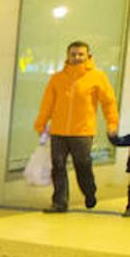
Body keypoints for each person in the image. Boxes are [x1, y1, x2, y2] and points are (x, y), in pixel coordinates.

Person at [34, 41, 119, 213]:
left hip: (83, 132)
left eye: (80, 54)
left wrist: (112, 123)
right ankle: (59, 202)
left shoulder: (97, 77)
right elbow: (47, 104)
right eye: (73, 54)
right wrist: (41, 123)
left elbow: (108, 103)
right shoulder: (57, 78)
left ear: (88, 56)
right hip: (59, 131)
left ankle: (89, 192)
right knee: (58, 166)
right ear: (68, 56)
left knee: (83, 165)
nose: (77, 57)